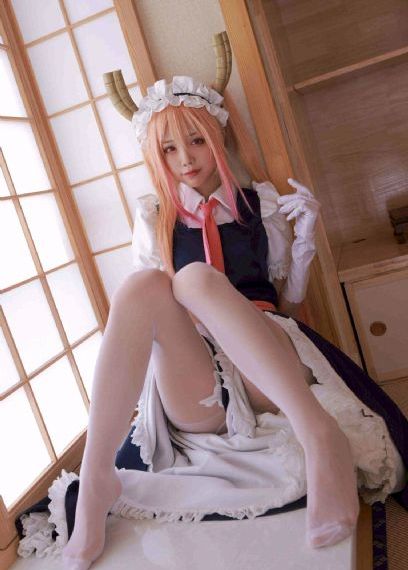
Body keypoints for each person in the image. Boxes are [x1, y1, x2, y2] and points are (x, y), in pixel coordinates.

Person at [51, 74, 407, 570]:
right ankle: (96, 479)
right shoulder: (154, 217)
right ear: (155, 157)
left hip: (266, 361)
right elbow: (148, 322)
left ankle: (318, 435)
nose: (186, 159)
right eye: (169, 149)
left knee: (195, 279)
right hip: (199, 377)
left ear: (217, 138)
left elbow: (290, 302)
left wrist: (305, 237)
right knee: (142, 286)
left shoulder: (258, 203)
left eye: (196, 140)